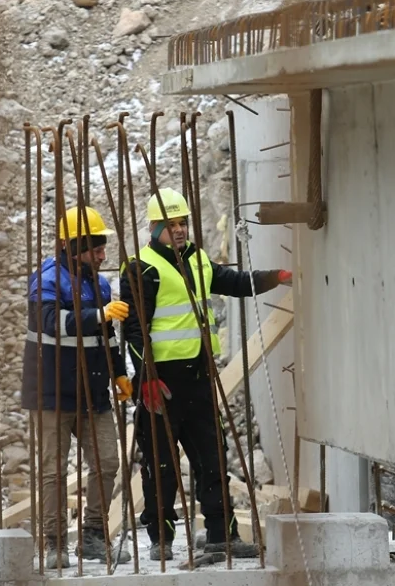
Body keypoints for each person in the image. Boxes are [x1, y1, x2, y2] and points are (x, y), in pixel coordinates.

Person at [119, 188, 291, 561]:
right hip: (160, 383)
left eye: (183, 223)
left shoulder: (197, 259)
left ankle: (220, 535)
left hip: (198, 377)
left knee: (212, 459)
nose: (180, 230)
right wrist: (144, 378)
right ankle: (160, 541)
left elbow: (232, 282)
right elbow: (134, 329)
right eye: (172, 224)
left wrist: (274, 277)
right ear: (155, 227)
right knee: (161, 465)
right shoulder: (141, 268)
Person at [21, 205, 133, 568]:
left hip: (93, 391)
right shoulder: (47, 279)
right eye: (95, 248)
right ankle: (55, 544)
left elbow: (107, 338)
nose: (103, 255)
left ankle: (94, 536)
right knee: (54, 471)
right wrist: (97, 315)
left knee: (108, 461)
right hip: (51, 391)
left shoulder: (98, 283)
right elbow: (50, 321)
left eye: (102, 248)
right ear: (73, 248)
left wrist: (118, 372)